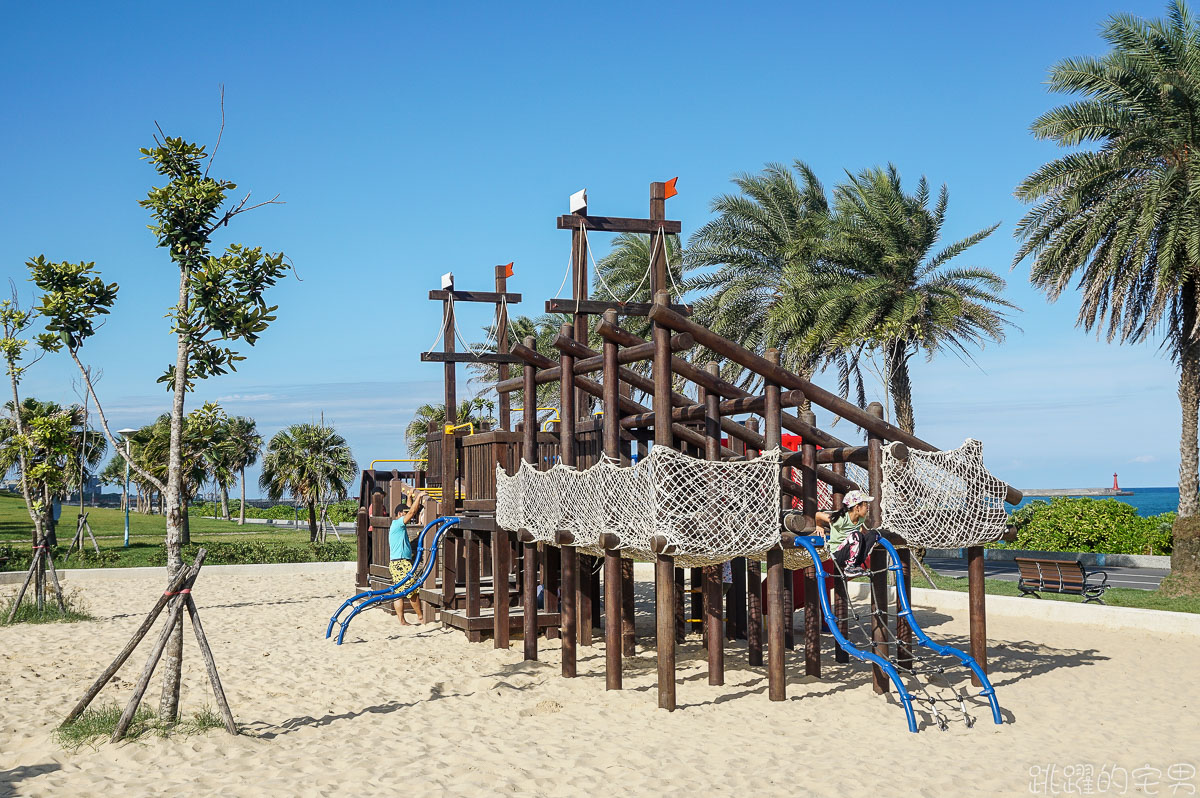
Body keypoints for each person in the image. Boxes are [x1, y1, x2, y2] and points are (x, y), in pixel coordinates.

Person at [815, 490, 880, 578]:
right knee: (856, 535)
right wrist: (819, 525)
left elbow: (860, 526)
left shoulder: (861, 518)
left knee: (873, 534)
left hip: (853, 554)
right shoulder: (840, 519)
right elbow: (818, 514)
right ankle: (849, 568)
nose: (868, 507)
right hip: (838, 554)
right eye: (865, 505)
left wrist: (864, 531)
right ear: (857, 507)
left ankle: (857, 564)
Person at [389, 485, 426, 625]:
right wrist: (419, 497)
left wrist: (409, 498)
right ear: (399, 514)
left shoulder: (397, 524)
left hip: (395, 563)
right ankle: (421, 617)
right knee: (412, 590)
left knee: (399, 592)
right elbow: (411, 513)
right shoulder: (398, 524)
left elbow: (409, 510)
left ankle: (402, 620)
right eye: (403, 513)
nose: (408, 516)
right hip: (400, 563)